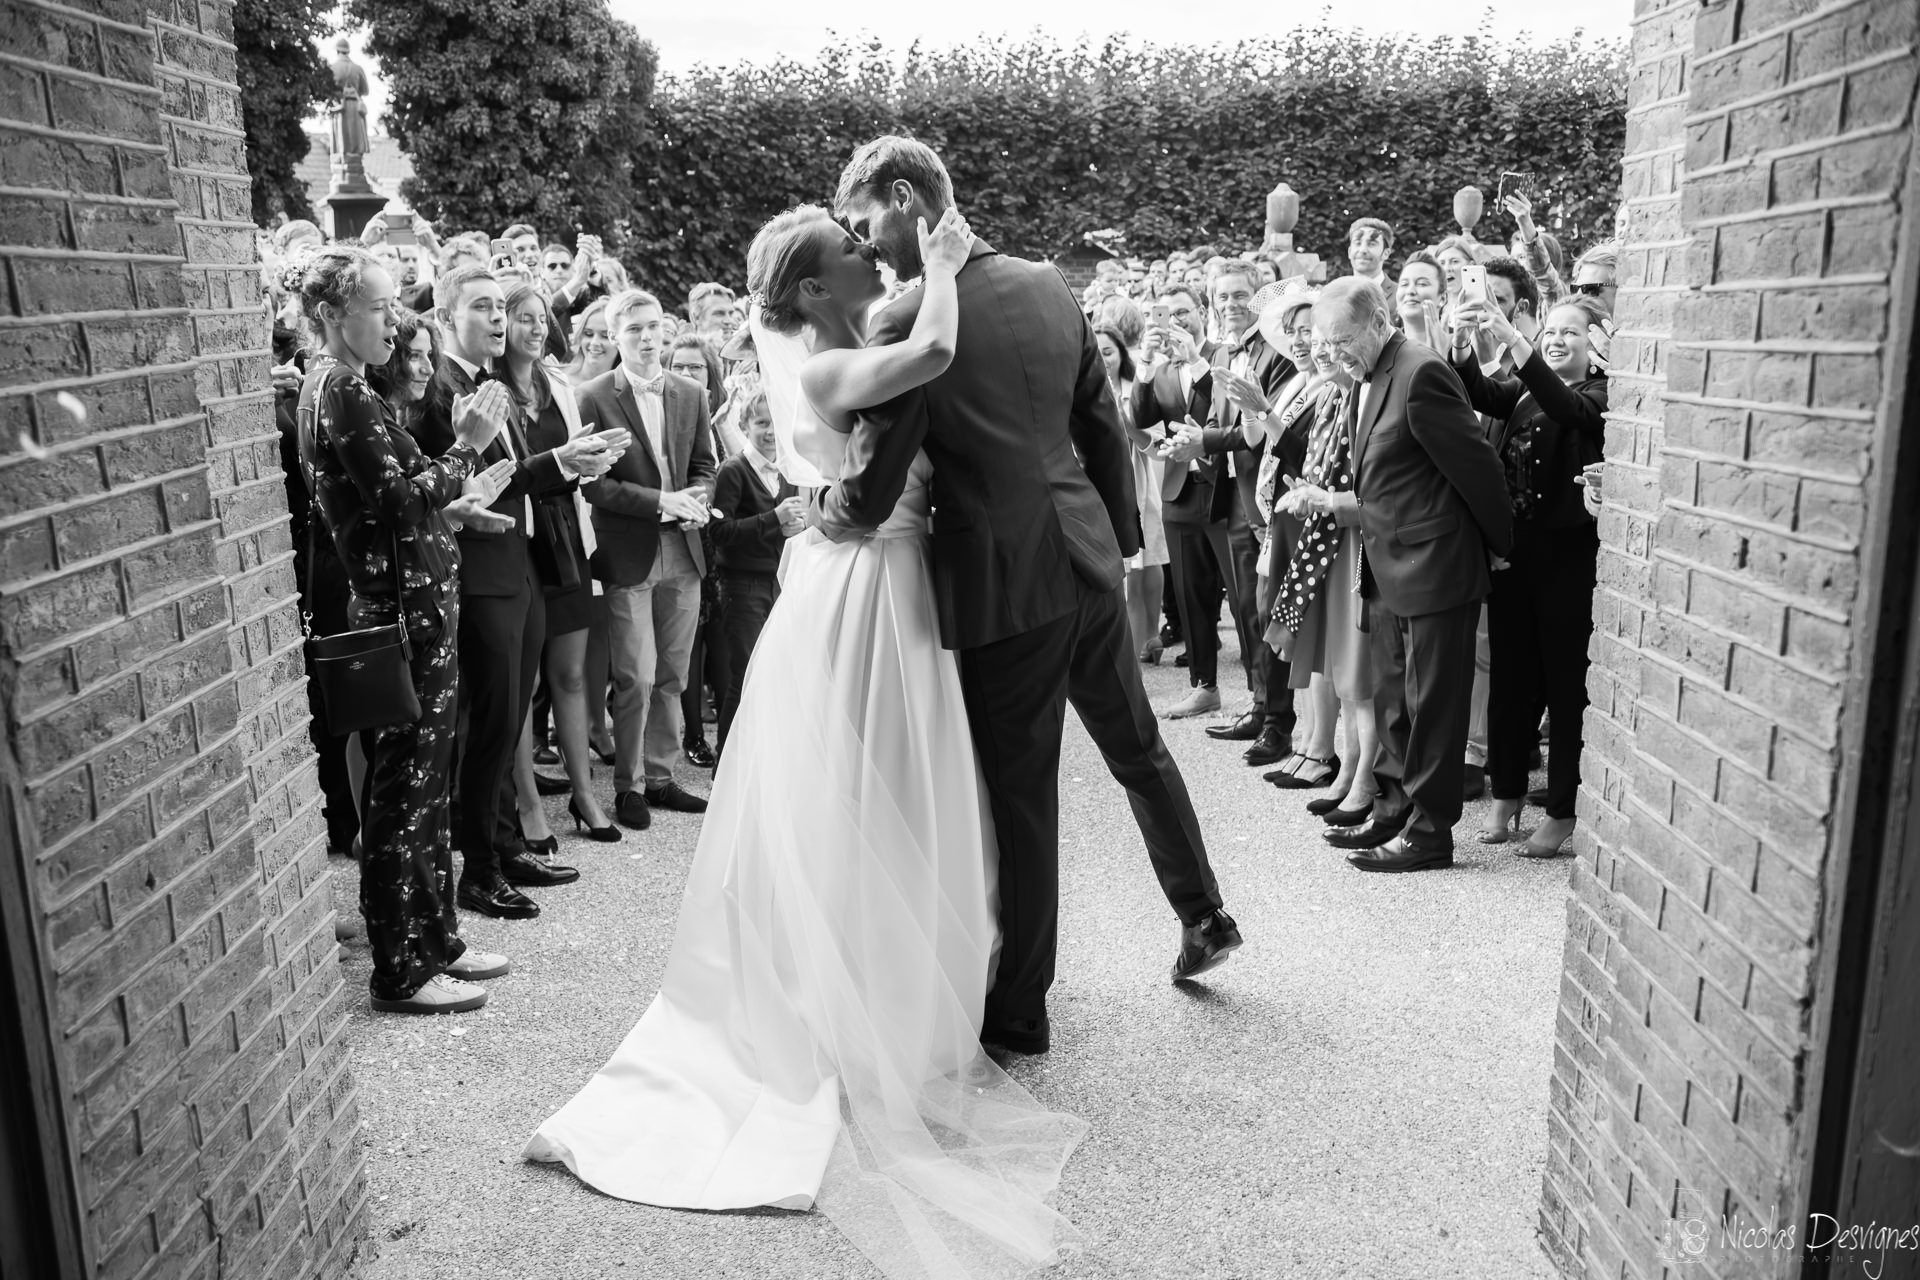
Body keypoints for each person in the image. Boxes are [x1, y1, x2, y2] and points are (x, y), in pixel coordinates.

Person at [528, 193, 1092, 1280]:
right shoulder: (833, 369)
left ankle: (892, 992)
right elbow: (935, 348)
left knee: (898, 796)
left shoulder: (826, 355)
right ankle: (847, 1017)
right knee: (859, 798)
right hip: (866, 598)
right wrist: (944, 255)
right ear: (807, 290)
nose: (867, 253)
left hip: (885, 581)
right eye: (849, 250)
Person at [296, 245, 518, 1012]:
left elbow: (403, 500)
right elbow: (395, 503)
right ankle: (399, 969)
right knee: (403, 796)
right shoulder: (339, 391)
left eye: (395, 305)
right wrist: (466, 450)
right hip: (403, 620)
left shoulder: (348, 385)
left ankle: (437, 942)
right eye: (379, 307)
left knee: (429, 790)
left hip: (422, 607)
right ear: (332, 315)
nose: (395, 320)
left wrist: (456, 493)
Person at [1279, 278, 1511, 872]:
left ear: (1377, 320)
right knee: (1392, 703)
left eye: (1340, 338)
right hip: (1386, 565)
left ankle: (1429, 836)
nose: (1329, 351)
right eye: (1323, 341)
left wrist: (1499, 547)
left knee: (1431, 708)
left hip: (1437, 568)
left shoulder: (1420, 371)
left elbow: (1477, 468)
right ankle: (1391, 810)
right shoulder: (1367, 375)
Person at [418, 265, 621, 918]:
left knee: (508, 723)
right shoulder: (439, 388)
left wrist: (572, 463)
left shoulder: (491, 383)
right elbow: (476, 481)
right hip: (480, 575)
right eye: (484, 307)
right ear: (449, 316)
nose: (500, 319)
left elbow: (517, 477)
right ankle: (478, 870)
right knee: (491, 727)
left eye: (500, 308)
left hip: (521, 566)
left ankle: (503, 847)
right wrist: (558, 463)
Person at [1450, 294, 1609, 858]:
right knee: (1512, 684)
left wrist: (1517, 343)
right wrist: (1466, 344)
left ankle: (1563, 811)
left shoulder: (1598, 395)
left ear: (1597, 348)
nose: (1557, 338)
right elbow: (1479, 392)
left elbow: (1566, 409)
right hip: (1515, 558)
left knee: (1565, 687)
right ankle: (1507, 793)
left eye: (1572, 332)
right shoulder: (1521, 390)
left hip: (1567, 563)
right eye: (1551, 330)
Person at [575, 290, 718, 830]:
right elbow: (595, 486)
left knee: (674, 674)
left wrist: (697, 501)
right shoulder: (591, 396)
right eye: (634, 329)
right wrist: (662, 501)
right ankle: (629, 784)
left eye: (654, 326)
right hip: (628, 551)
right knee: (634, 673)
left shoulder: (691, 391)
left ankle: (661, 777)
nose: (647, 337)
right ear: (616, 336)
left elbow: (706, 466)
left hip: (684, 548)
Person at [490, 282, 622, 844]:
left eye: (541, 318)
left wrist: (592, 462)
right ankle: (527, 804)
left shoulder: (558, 384)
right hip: (518, 540)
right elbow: (507, 474)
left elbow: (571, 468)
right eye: (522, 318)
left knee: (570, 674)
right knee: (523, 684)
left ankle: (585, 794)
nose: (535, 327)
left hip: (566, 536)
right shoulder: (487, 389)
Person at [1132, 283, 1228, 716]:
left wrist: (1194, 359)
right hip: (1178, 489)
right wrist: (1146, 364)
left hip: (1223, 487)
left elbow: (1215, 413)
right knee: (1191, 595)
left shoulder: (1221, 356)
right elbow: (1141, 417)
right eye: (1168, 314)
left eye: (1184, 312)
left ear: (1202, 312)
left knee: (1241, 594)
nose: (1176, 322)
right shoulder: (1163, 367)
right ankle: (1204, 686)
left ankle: (1265, 697)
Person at [706, 384, 803, 749]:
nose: (770, 431)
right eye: (761, 422)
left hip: (779, 585)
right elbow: (719, 531)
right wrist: (773, 519)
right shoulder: (734, 470)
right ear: (745, 424)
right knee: (744, 674)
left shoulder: (788, 471)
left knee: (774, 672)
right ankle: (726, 761)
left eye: (776, 422)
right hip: (742, 587)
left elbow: (783, 525)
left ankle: (761, 754)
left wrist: (793, 526)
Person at [1097, 323, 1169, 662]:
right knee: (1119, 580)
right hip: (1098, 496)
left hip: (1138, 490)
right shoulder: (1076, 388)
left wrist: (1128, 426)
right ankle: (1125, 649)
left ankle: (1144, 642)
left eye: (1108, 352)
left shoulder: (1138, 387)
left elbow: (1157, 447)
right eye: (1094, 352)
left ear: (1122, 354)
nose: (1101, 359)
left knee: (1142, 571)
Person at [564, 298, 618, 384]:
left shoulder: (630, 390)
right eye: (588, 334)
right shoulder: (559, 379)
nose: (594, 342)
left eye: (605, 336)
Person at [1346, 218, 1393, 291]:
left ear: (1386, 253)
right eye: (1358, 243)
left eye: (1371, 244)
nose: (1362, 250)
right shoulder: (1334, 295)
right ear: (1349, 251)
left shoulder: (1401, 296)